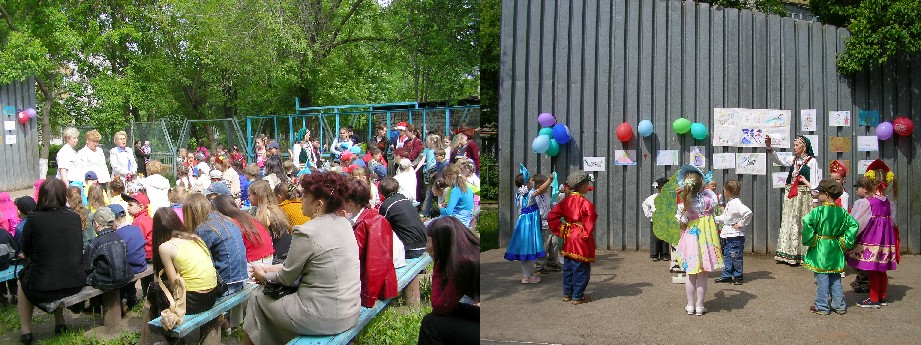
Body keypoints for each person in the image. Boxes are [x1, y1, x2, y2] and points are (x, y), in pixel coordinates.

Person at [243, 172, 360, 344]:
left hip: (322, 316)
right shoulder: (344, 223)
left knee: (257, 297)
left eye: (304, 196)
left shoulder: (306, 231)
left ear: (319, 204)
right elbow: (314, 264)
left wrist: (263, 275)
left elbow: (286, 278)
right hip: (350, 312)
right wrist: (273, 269)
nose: (300, 199)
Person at [17, 178, 87, 344]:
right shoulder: (74, 218)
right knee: (55, 269)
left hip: (43, 287)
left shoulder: (33, 220)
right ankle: (60, 322)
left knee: (22, 280)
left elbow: (26, 251)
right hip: (75, 283)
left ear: (41, 196)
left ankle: (26, 330)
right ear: (63, 197)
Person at [149, 207, 220, 344]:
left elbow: (174, 282)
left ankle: (173, 340)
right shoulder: (194, 237)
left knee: (154, 292)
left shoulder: (166, 247)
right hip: (211, 296)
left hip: (194, 302)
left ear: (157, 229)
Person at [417, 217, 479, 345]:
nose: (427, 243)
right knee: (454, 311)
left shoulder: (463, 263)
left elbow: (439, 305)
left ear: (440, 241)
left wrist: (437, 261)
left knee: (430, 324)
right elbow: (448, 306)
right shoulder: (471, 252)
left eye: (430, 238)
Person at [846, 160, 899, 308]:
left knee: (873, 270)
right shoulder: (888, 202)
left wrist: (853, 236)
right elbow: (893, 221)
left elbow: (858, 222)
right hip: (885, 241)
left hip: (872, 241)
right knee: (882, 270)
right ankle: (882, 297)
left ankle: (874, 299)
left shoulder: (868, 202)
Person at [803, 179, 858, 315]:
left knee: (821, 279)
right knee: (835, 278)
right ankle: (839, 305)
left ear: (826, 194)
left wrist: (812, 239)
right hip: (835, 247)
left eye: (820, 192)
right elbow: (854, 225)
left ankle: (822, 306)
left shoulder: (818, 211)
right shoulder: (843, 213)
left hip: (822, 249)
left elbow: (807, 222)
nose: (818, 195)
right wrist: (845, 241)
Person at [674, 165, 723, 316]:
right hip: (707, 239)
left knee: (691, 273)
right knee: (703, 274)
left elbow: (682, 224)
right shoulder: (710, 198)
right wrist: (702, 188)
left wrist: (681, 242)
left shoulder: (685, 203)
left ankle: (690, 305)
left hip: (691, 239)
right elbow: (709, 193)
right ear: (702, 184)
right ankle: (700, 305)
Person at [342, 179, 398, 307]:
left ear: (350, 202)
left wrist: (368, 298)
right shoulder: (355, 218)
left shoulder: (375, 222)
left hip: (375, 289)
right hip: (361, 282)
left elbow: (376, 264)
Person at [767, 135, 819, 265]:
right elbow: (778, 160)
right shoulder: (793, 160)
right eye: (794, 145)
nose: (794, 147)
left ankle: (804, 254)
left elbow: (815, 181)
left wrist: (815, 199)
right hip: (792, 196)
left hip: (804, 196)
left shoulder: (812, 162)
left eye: (797, 145)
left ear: (804, 146)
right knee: (791, 221)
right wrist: (769, 147)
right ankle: (789, 253)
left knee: (803, 222)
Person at [548, 170, 598, 305]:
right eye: (587, 184)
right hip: (580, 238)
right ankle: (578, 296)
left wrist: (561, 229)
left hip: (569, 236)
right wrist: (586, 234)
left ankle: (567, 293)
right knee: (581, 267)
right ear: (582, 187)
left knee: (568, 265)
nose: (589, 186)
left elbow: (552, 216)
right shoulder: (586, 204)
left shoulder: (565, 201)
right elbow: (590, 220)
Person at [184, 193, 248, 297]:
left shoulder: (204, 229)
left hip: (225, 284)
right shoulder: (224, 219)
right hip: (242, 277)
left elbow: (201, 262)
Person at [505, 167, 553, 284]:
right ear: (526, 182)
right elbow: (541, 190)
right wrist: (550, 180)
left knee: (527, 250)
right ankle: (527, 276)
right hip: (529, 225)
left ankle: (529, 274)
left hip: (524, 223)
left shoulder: (519, 194)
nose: (533, 181)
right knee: (527, 249)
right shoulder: (530, 193)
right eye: (531, 180)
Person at [83, 207, 133, 291]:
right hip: (125, 277)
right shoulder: (120, 238)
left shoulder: (95, 243)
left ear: (96, 223)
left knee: (87, 276)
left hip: (106, 281)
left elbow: (87, 266)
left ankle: (96, 303)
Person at [378, 177, 428, 259]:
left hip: (410, 248)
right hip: (424, 243)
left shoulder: (386, 205)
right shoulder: (405, 199)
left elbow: (380, 229)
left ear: (381, 192)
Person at [713, 180, 752, 285]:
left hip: (735, 235)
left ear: (727, 191)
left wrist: (740, 224)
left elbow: (748, 213)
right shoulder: (731, 202)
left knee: (735, 256)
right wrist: (713, 219)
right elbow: (726, 218)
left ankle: (738, 276)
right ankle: (727, 275)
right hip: (728, 235)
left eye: (724, 189)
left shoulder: (736, 203)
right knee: (727, 255)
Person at [110, 204, 145, 310]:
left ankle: (118, 303)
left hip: (129, 269)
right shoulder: (136, 229)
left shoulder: (117, 234)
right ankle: (131, 296)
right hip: (141, 264)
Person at [249, 180, 293, 265]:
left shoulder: (264, 214)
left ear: (257, 196)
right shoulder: (276, 209)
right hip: (287, 253)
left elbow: (259, 240)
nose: (248, 198)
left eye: (249, 195)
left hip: (277, 258)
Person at [849, 176, 873, 293]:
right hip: (871, 236)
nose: (856, 190)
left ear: (865, 189)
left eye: (858, 187)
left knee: (859, 258)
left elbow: (857, 220)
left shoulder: (862, 203)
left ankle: (864, 282)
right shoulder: (875, 201)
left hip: (861, 236)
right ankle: (862, 279)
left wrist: (852, 234)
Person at [643, 177, 670, 262]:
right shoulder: (653, 197)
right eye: (659, 188)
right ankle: (654, 254)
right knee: (655, 238)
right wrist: (649, 214)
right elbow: (645, 204)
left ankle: (665, 254)